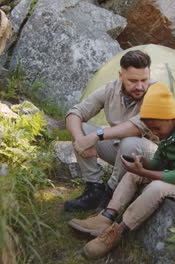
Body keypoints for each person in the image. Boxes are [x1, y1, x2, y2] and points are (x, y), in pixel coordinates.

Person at [68, 83, 175, 259]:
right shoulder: (168, 131)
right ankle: (106, 217)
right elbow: (158, 162)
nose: (154, 133)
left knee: (157, 188)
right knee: (133, 174)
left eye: (157, 129)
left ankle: (117, 232)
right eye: (151, 129)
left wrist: (145, 173)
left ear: (172, 119)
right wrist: (143, 163)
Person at [64, 50, 158, 212]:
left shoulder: (157, 92)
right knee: (81, 129)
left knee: (130, 141)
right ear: (121, 76)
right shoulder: (110, 89)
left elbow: (136, 127)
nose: (140, 86)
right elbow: (75, 113)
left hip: (151, 156)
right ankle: (94, 188)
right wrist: (81, 139)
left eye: (144, 80)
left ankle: (111, 191)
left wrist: (97, 136)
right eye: (133, 81)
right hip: (120, 149)